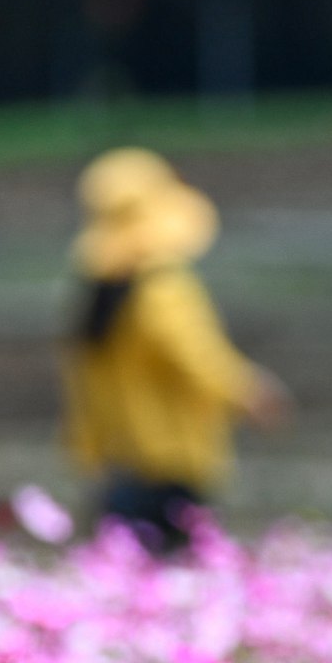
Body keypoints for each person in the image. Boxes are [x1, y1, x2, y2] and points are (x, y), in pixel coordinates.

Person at [59, 147, 290, 555]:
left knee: (125, 581)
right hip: (172, 459)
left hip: (120, 461)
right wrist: (248, 391)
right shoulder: (162, 287)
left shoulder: (101, 293)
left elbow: (84, 384)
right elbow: (195, 355)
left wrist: (89, 449)